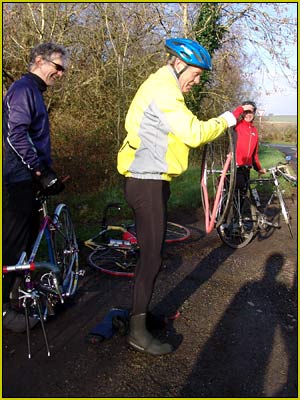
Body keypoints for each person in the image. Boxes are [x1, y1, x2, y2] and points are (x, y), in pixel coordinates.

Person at [117, 38, 248, 355]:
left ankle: (143, 315)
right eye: (197, 74)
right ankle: (137, 331)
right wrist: (231, 117)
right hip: (146, 182)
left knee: (153, 254)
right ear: (180, 64)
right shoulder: (165, 90)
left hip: (150, 180)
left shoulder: (162, 85)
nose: (198, 81)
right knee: (151, 259)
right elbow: (194, 134)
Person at [3, 42, 67, 333]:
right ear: (39, 60)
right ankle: (3, 311)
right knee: (13, 243)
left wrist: (45, 171)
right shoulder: (23, 90)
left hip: (27, 177)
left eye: (63, 69)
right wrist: (39, 170)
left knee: (27, 242)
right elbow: (16, 135)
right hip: (19, 177)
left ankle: (17, 299)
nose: (61, 73)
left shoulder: (34, 92)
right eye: (57, 66)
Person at [232, 101, 266, 192]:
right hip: (234, 166)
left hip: (247, 168)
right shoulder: (236, 125)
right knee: (235, 195)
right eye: (246, 112)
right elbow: (231, 117)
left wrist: (259, 168)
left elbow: (254, 154)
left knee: (243, 195)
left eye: (250, 112)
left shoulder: (254, 130)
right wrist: (241, 108)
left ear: (254, 113)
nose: (248, 115)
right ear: (242, 113)